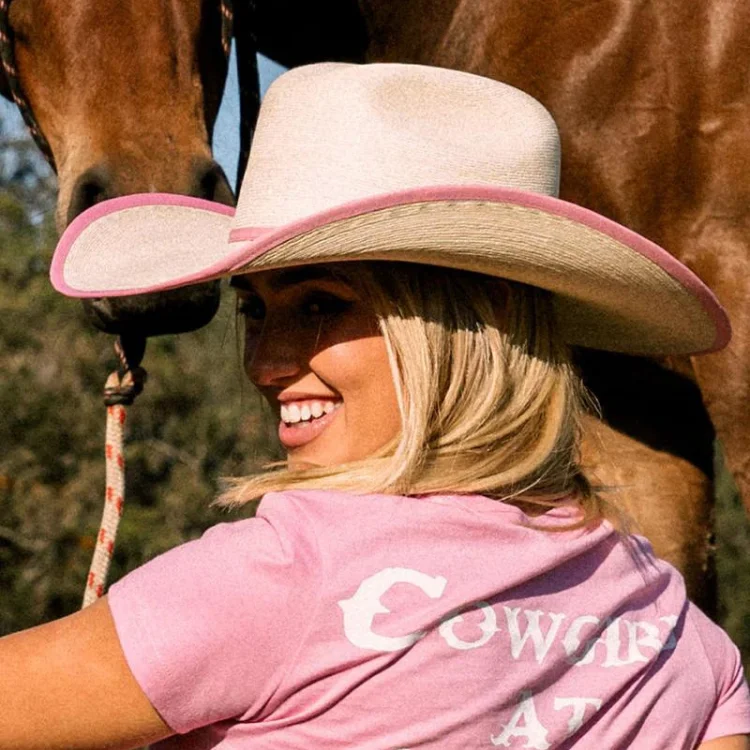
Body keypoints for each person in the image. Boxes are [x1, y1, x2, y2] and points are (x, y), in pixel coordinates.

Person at [5, 62, 747, 749]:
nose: (265, 362)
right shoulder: (675, 629)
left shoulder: (281, 579)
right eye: (257, 311)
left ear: (462, 328)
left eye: (321, 305)